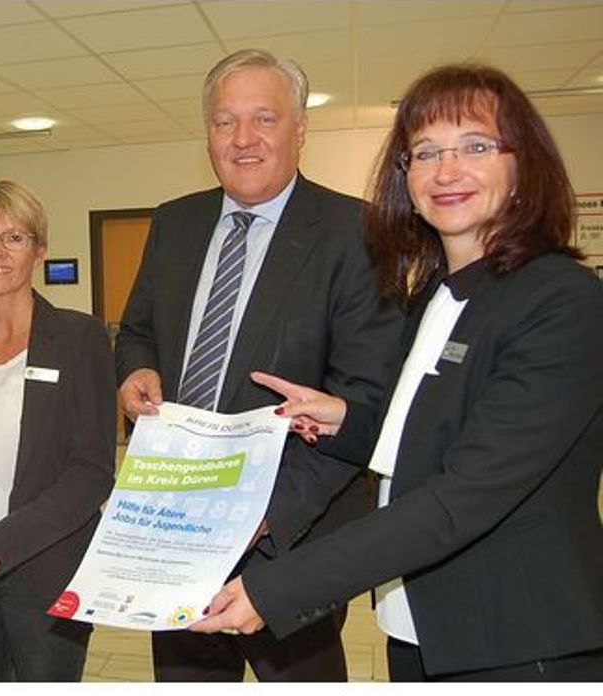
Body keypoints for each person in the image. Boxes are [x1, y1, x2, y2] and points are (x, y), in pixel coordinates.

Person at [192, 64, 603, 682]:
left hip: (519, 641)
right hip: (418, 628)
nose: (447, 170)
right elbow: (432, 435)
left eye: (477, 147)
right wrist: (346, 420)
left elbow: (461, 496)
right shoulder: (439, 292)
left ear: (525, 166)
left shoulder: (562, 301)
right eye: (425, 152)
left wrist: (276, 588)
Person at [114, 48, 403, 681]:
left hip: (290, 538)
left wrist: (257, 515)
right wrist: (135, 372)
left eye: (264, 119)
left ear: (301, 129)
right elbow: (137, 331)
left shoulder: (356, 232)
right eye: (225, 122)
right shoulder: (174, 223)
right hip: (176, 524)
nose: (243, 139)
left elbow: (365, 399)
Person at [0, 180, 116, 681]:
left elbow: (92, 474)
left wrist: (2, 542)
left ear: (39, 249)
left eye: (14, 238)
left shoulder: (81, 339)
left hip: (46, 572)